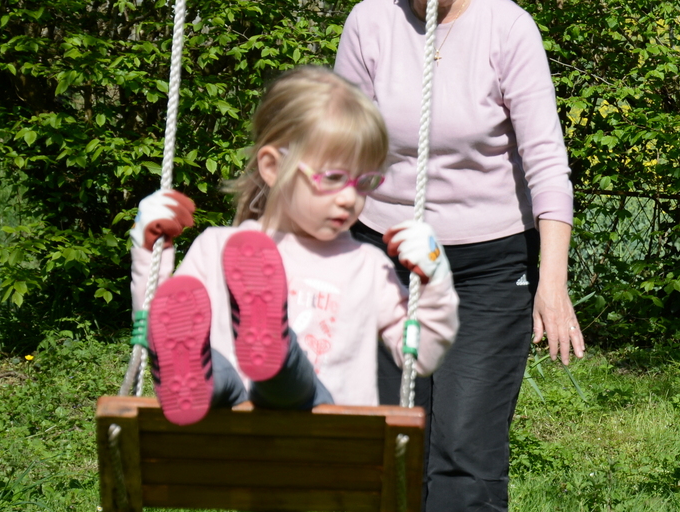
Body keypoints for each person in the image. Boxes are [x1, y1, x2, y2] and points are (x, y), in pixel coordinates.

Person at [334, 0, 582, 512]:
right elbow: (342, 151)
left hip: (485, 265)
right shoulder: (370, 24)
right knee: (398, 434)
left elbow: (545, 160)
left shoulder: (508, 29)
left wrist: (552, 283)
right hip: (386, 257)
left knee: (464, 442)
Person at [130, 67, 458, 426]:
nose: (350, 198)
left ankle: (275, 350)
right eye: (333, 178)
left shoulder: (367, 266)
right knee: (208, 367)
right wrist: (149, 251)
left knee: (289, 381)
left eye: (364, 182)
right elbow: (160, 328)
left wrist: (435, 282)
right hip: (232, 433)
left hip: (323, 435)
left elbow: (420, 356)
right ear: (273, 167)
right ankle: (202, 380)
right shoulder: (219, 248)